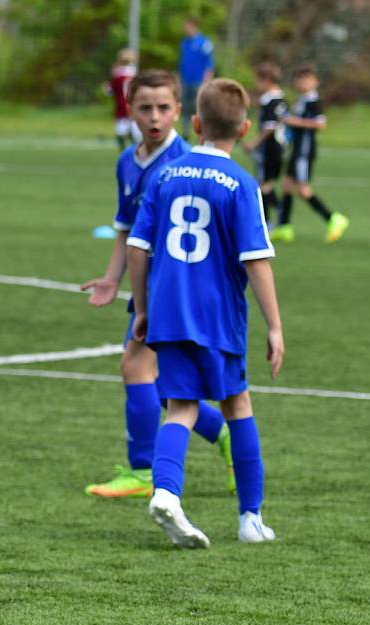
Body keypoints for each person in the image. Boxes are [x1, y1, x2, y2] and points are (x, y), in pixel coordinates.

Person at [127, 78, 284, 549]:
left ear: (194, 123)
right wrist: (274, 325)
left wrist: (142, 309)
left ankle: (166, 493)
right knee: (238, 405)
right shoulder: (241, 182)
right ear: (244, 127)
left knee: (180, 408)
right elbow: (255, 260)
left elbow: (138, 247)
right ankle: (250, 519)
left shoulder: (165, 174)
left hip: (169, 315)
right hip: (218, 318)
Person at [82, 70, 233, 501]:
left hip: (177, 287)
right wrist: (113, 279)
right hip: (150, 285)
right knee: (164, 385)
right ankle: (225, 438)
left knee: (136, 368)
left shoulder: (183, 163)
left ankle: (143, 469)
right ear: (129, 109)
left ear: (180, 112)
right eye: (145, 107)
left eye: (164, 108)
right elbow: (126, 229)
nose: (155, 117)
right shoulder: (127, 161)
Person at [270, 64, 349, 244]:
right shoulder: (301, 100)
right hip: (295, 150)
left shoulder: (314, 101)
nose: (302, 84)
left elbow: (320, 124)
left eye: (306, 80)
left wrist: (294, 121)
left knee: (303, 190)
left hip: (304, 152)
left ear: (315, 82)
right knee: (287, 185)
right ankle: (284, 226)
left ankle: (333, 218)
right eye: (299, 80)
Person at [242, 63, 286, 224]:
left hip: (270, 147)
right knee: (265, 182)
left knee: (263, 184)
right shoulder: (277, 98)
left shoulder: (272, 101)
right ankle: (281, 210)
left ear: (266, 80)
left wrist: (254, 143)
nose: (256, 84)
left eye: (258, 80)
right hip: (276, 146)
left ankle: (268, 220)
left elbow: (270, 127)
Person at [178, 17, 214, 140]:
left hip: (199, 81)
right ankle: (186, 132)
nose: (185, 29)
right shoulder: (184, 42)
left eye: (187, 26)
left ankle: (204, 131)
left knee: (200, 107)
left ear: (194, 26)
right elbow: (182, 62)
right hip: (186, 81)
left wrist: (207, 80)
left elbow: (209, 63)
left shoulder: (204, 42)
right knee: (185, 107)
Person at [104, 48, 140, 151]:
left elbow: (110, 91)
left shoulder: (117, 76)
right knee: (135, 129)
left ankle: (124, 150)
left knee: (121, 129)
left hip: (121, 105)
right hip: (134, 104)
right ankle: (136, 149)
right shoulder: (135, 74)